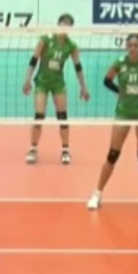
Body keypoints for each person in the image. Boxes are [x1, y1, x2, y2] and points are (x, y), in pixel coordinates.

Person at [88, 34, 138, 213]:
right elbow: (106, 81)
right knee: (113, 154)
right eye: (130, 45)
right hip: (123, 112)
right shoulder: (119, 63)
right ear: (127, 46)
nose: (132, 48)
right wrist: (119, 91)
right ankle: (97, 193)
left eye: (136, 45)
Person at [22, 14, 90, 164]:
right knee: (39, 115)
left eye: (68, 25)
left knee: (62, 116)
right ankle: (33, 149)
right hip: (42, 82)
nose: (64, 27)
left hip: (58, 83)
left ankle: (65, 151)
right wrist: (27, 79)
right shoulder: (45, 40)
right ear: (58, 24)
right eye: (63, 24)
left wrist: (83, 87)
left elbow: (78, 67)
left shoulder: (71, 46)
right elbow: (33, 60)